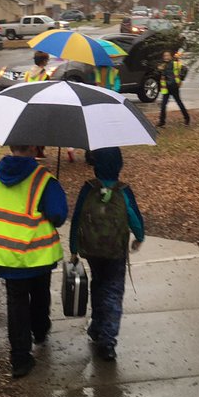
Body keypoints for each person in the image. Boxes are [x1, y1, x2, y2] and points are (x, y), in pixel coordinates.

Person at [0, 143, 68, 378]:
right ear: (34, 147)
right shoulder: (43, 179)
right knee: (40, 292)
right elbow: (58, 215)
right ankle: (40, 329)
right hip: (37, 253)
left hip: (5, 253)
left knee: (16, 302)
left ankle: (20, 358)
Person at [70, 147, 144, 362]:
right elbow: (133, 217)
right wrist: (139, 237)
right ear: (119, 165)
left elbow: (77, 219)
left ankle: (96, 326)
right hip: (115, 252)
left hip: (92, 250)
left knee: (98, 284)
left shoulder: (88, 189)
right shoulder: (124, 190)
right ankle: (108, 340)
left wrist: (74, 248)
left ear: (96, 165)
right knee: (113, 291)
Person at [157, 49, 190, 127]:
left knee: (179, 102)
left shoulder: (175, 64)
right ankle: (162, 121)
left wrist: (181, 78)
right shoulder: (162, 65)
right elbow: (159, 75)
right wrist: (159, 70)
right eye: (164, 56)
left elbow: (185, 69)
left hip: (174, 87)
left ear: (171, 56)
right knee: (163, 105)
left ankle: (187, 118)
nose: (166, 57)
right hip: (166, 88)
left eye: (167, 55)